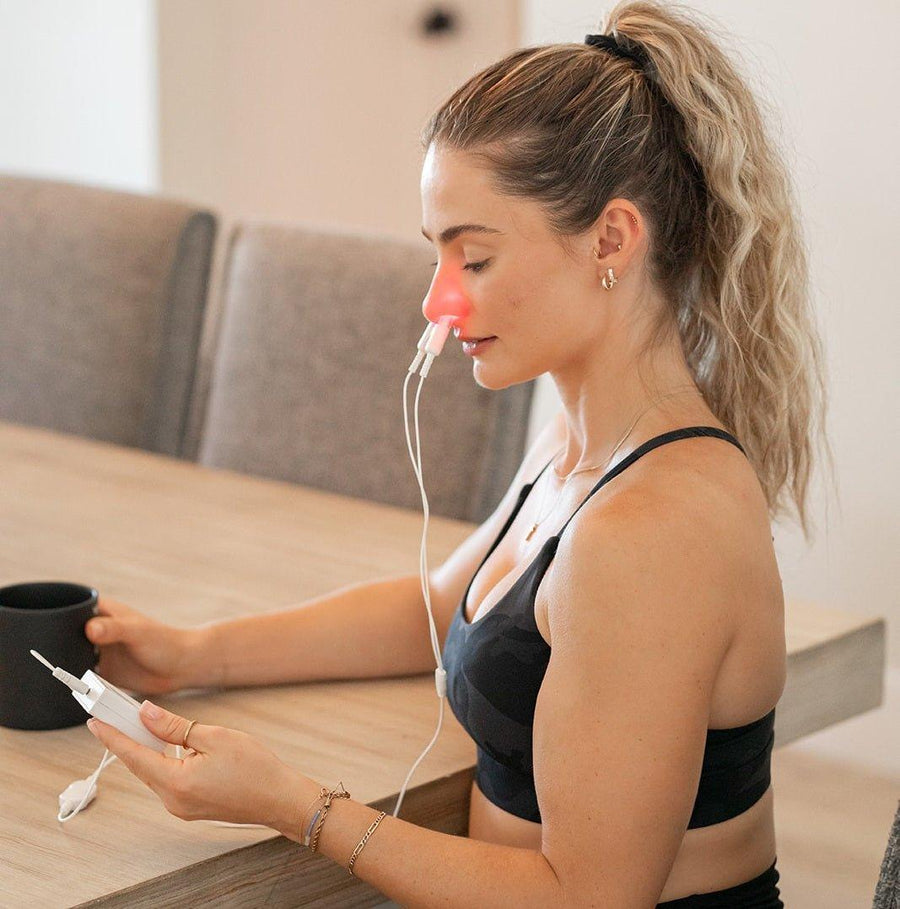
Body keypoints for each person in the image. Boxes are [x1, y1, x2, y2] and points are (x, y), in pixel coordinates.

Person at [84, 1, 834, 904]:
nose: (439, 301)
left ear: (611, 240)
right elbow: (435, 613)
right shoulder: (579, 446)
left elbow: (587, 899)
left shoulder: (650, 529)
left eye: (472, 259)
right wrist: (192, 654)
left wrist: (292, 804)